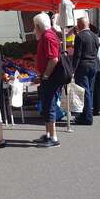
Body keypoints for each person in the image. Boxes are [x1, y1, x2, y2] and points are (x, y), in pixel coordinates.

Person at [32, 13, 62, 147]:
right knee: (46, 106)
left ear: (38, 26)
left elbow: (54, 59)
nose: (34, 30)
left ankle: (54, 137)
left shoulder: (48, 37)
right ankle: (48, 134)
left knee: (49, 106)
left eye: (35, 26)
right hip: (48, 77)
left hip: (50, 78)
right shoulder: (46, 36)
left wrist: (46, 75)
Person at [72, 16, 100, 125]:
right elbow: (97, 49)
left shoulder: (79, 36)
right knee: (89, 91)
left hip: (83, 66)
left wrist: (73, 69)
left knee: (84, 92)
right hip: (93, 65)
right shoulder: (94, 36)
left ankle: (87, 117)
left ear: (79, 25)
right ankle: (86, 114)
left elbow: (77, 55)